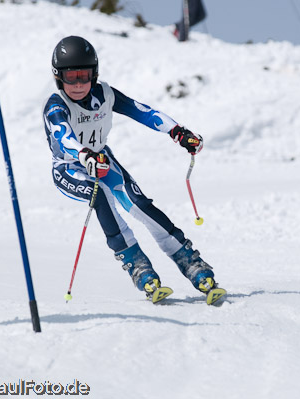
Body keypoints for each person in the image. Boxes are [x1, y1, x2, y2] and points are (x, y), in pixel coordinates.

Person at [42, 36, 225, 304]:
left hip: (103, 159)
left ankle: (190, 261)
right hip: (70, 168)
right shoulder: (56, 105)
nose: (79, 83)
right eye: (71, 77)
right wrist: (84, 155)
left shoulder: (104, 94)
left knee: (138, 203)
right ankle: (137, 265)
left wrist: (176, 131)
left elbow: (142, 111)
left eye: (85, 75)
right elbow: (63, 136)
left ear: (95, 74)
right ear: (59, 78)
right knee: (100, 196)